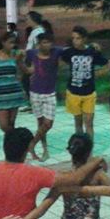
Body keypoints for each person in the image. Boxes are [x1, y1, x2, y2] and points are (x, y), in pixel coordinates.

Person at [60, 26, 108, 137]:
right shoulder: (69, 52)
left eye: (78, 38)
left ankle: (89, 147)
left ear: (84, 39)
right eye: (73, 38)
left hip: (89, 92)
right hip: (73, 92)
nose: (75, 41)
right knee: (78, 123)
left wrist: (98, 51)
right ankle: (80, 144)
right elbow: (59, 57)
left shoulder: (92, 51)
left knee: (89, 123)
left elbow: (104, 62)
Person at [25, 32, 63, 162]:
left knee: (48, 123)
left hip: (50, 93)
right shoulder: (31, 53)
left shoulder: (56, 52)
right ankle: (44, 149)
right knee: (41, 123)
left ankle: (32, 144)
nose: (48, 45)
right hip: (35, 92)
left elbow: (70, 51)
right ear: (39, 44)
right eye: (44, 42)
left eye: (49, 42)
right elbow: (26, 65)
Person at [0, 31, 27, 132]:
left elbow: (22, 72)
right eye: (10, 42)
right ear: (3, 42)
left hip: (14, 92)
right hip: (0, 94)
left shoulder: (16, 54)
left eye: (14, 43)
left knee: (11, 123)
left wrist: (21, 60)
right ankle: (14, 140)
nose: (12, 45)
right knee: (4, 125)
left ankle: (11, 141)